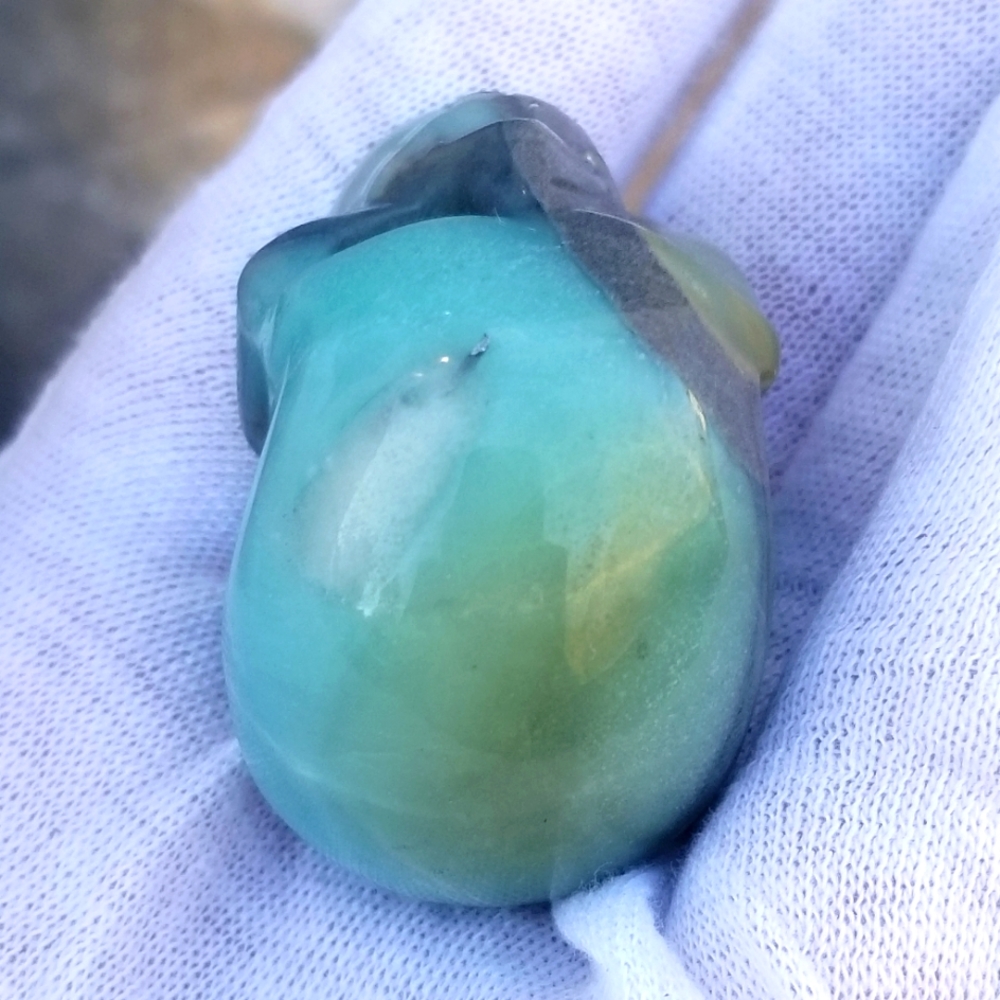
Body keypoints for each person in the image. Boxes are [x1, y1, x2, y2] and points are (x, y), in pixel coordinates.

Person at [3, 1, 1000, 996]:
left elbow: (274, 316)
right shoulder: (402, 295)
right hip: (588, 787)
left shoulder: (359, 289)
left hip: (414, 761)